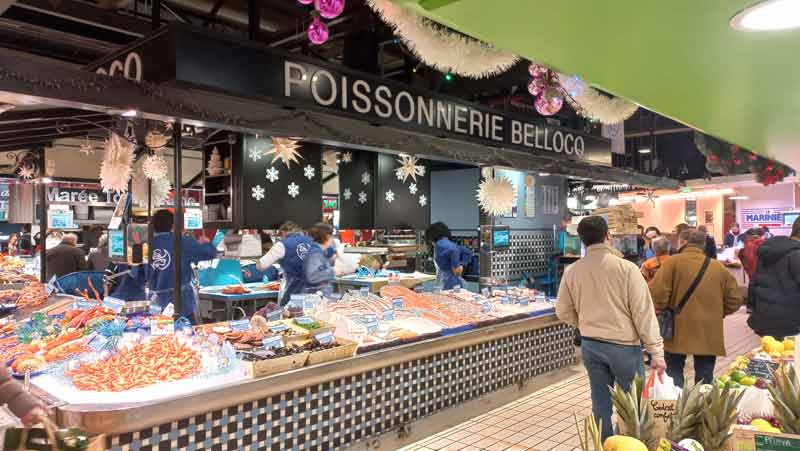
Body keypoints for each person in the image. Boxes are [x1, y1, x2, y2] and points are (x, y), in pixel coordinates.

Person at [556, 216, 665, 441]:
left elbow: (563, 311)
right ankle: (629, 444)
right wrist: (656, 352)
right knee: (631, 404)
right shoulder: (626, 269)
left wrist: (584, 322)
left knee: (600, 402)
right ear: (608, 236)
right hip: (624, 347)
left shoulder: (573, 271)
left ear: (582, 241)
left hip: (591, 345)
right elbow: (643, 313)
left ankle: (604, 444)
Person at [649, 228, 743, 388]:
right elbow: (735, 300)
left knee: (673, 374)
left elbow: (657, 295)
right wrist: (718, 312)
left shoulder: (672, 263)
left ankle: (677, 410)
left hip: (677, 329)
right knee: (705, 377)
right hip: (708, 330)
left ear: (683, 242)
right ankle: (703, 409)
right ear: (703, 244)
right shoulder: (718, 267)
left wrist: (663, 309)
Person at [148, 210, 217, 323]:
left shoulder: (147, 244)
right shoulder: (182, 242)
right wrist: (206, 242)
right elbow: (210, 253)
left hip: (155, 303)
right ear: (173, 225)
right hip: (181, 304)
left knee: (159, 336)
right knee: (186, 337)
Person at [747, 217, 800, 338]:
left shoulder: (768, 251)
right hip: (792, 321)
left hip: (765, 317)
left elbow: (754, 283)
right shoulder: (797, 254)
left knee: (775, 354)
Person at [256, 221, 316, 305]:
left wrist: (257, 260)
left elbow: (261, 265)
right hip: (315, 293)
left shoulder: (282, 245)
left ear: (284, 232)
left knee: (289, 316)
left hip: (294, 292)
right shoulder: (312, 241)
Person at [424, 222, 472, 290]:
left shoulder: (440, 244)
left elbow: (453, 250)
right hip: (454, 283)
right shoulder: (449, 243)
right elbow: (467, 252)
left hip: (447, 285)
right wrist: (462, 264)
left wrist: (457, 267)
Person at [303, 223, 336, 294]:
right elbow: (312, 277)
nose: (333, 239)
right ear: (328, 236)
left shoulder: (320, 251)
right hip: (315, 296)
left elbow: (320, 268)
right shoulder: (315, 253)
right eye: (332, 236)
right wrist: (334, 271)